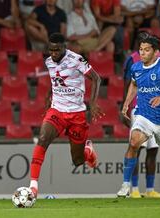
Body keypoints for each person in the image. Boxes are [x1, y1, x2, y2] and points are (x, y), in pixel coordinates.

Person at [28, 32, 105, 198]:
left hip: (77, 113)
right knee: (42, 138)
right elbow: (56, 79)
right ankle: (33, 187)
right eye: (51, 50)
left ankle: (87, 151)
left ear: (64, 47)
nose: (53, 54)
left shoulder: (76, 60)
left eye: (56, 50)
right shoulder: (49, 61)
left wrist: (92, 102)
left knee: (77, 161)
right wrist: (49, 95)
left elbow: (96, 78)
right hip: (57, 110)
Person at [117, 34, 160, 198]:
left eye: (147, 50)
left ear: (155, 52)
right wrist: (126, 104)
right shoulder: (136, 67)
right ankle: (126, 185)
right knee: (134, 142)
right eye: (141, 50)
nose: (143, 53)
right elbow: (133, 84)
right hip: (143, 114)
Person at [122, 31, 160, 198]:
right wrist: (124, 107)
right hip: (138, 109)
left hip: (155, 110)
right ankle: (133, 189)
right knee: (136, 148)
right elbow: (128, 84)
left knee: (153, 150)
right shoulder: (132, 59)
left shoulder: (159, 57)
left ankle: (150, 190)